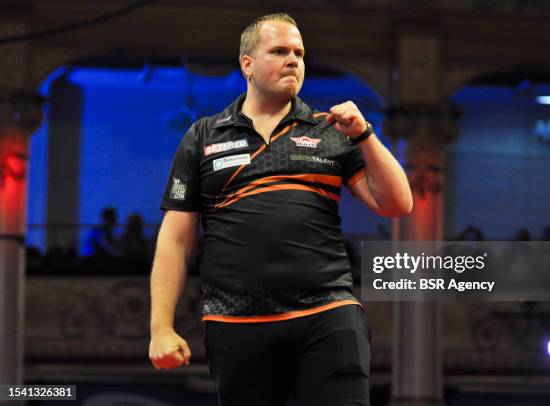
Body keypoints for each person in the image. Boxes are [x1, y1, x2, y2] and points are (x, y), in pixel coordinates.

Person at [149, 13, 412, 406]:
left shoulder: (330, 131)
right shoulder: (204, 135)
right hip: (236, 322)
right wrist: (160, 327)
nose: (294, 60)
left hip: (327, 313)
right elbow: (175, 239)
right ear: (247, 65)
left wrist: (364, 135)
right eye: (280, 51)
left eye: (299, 53)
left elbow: (396, 203)